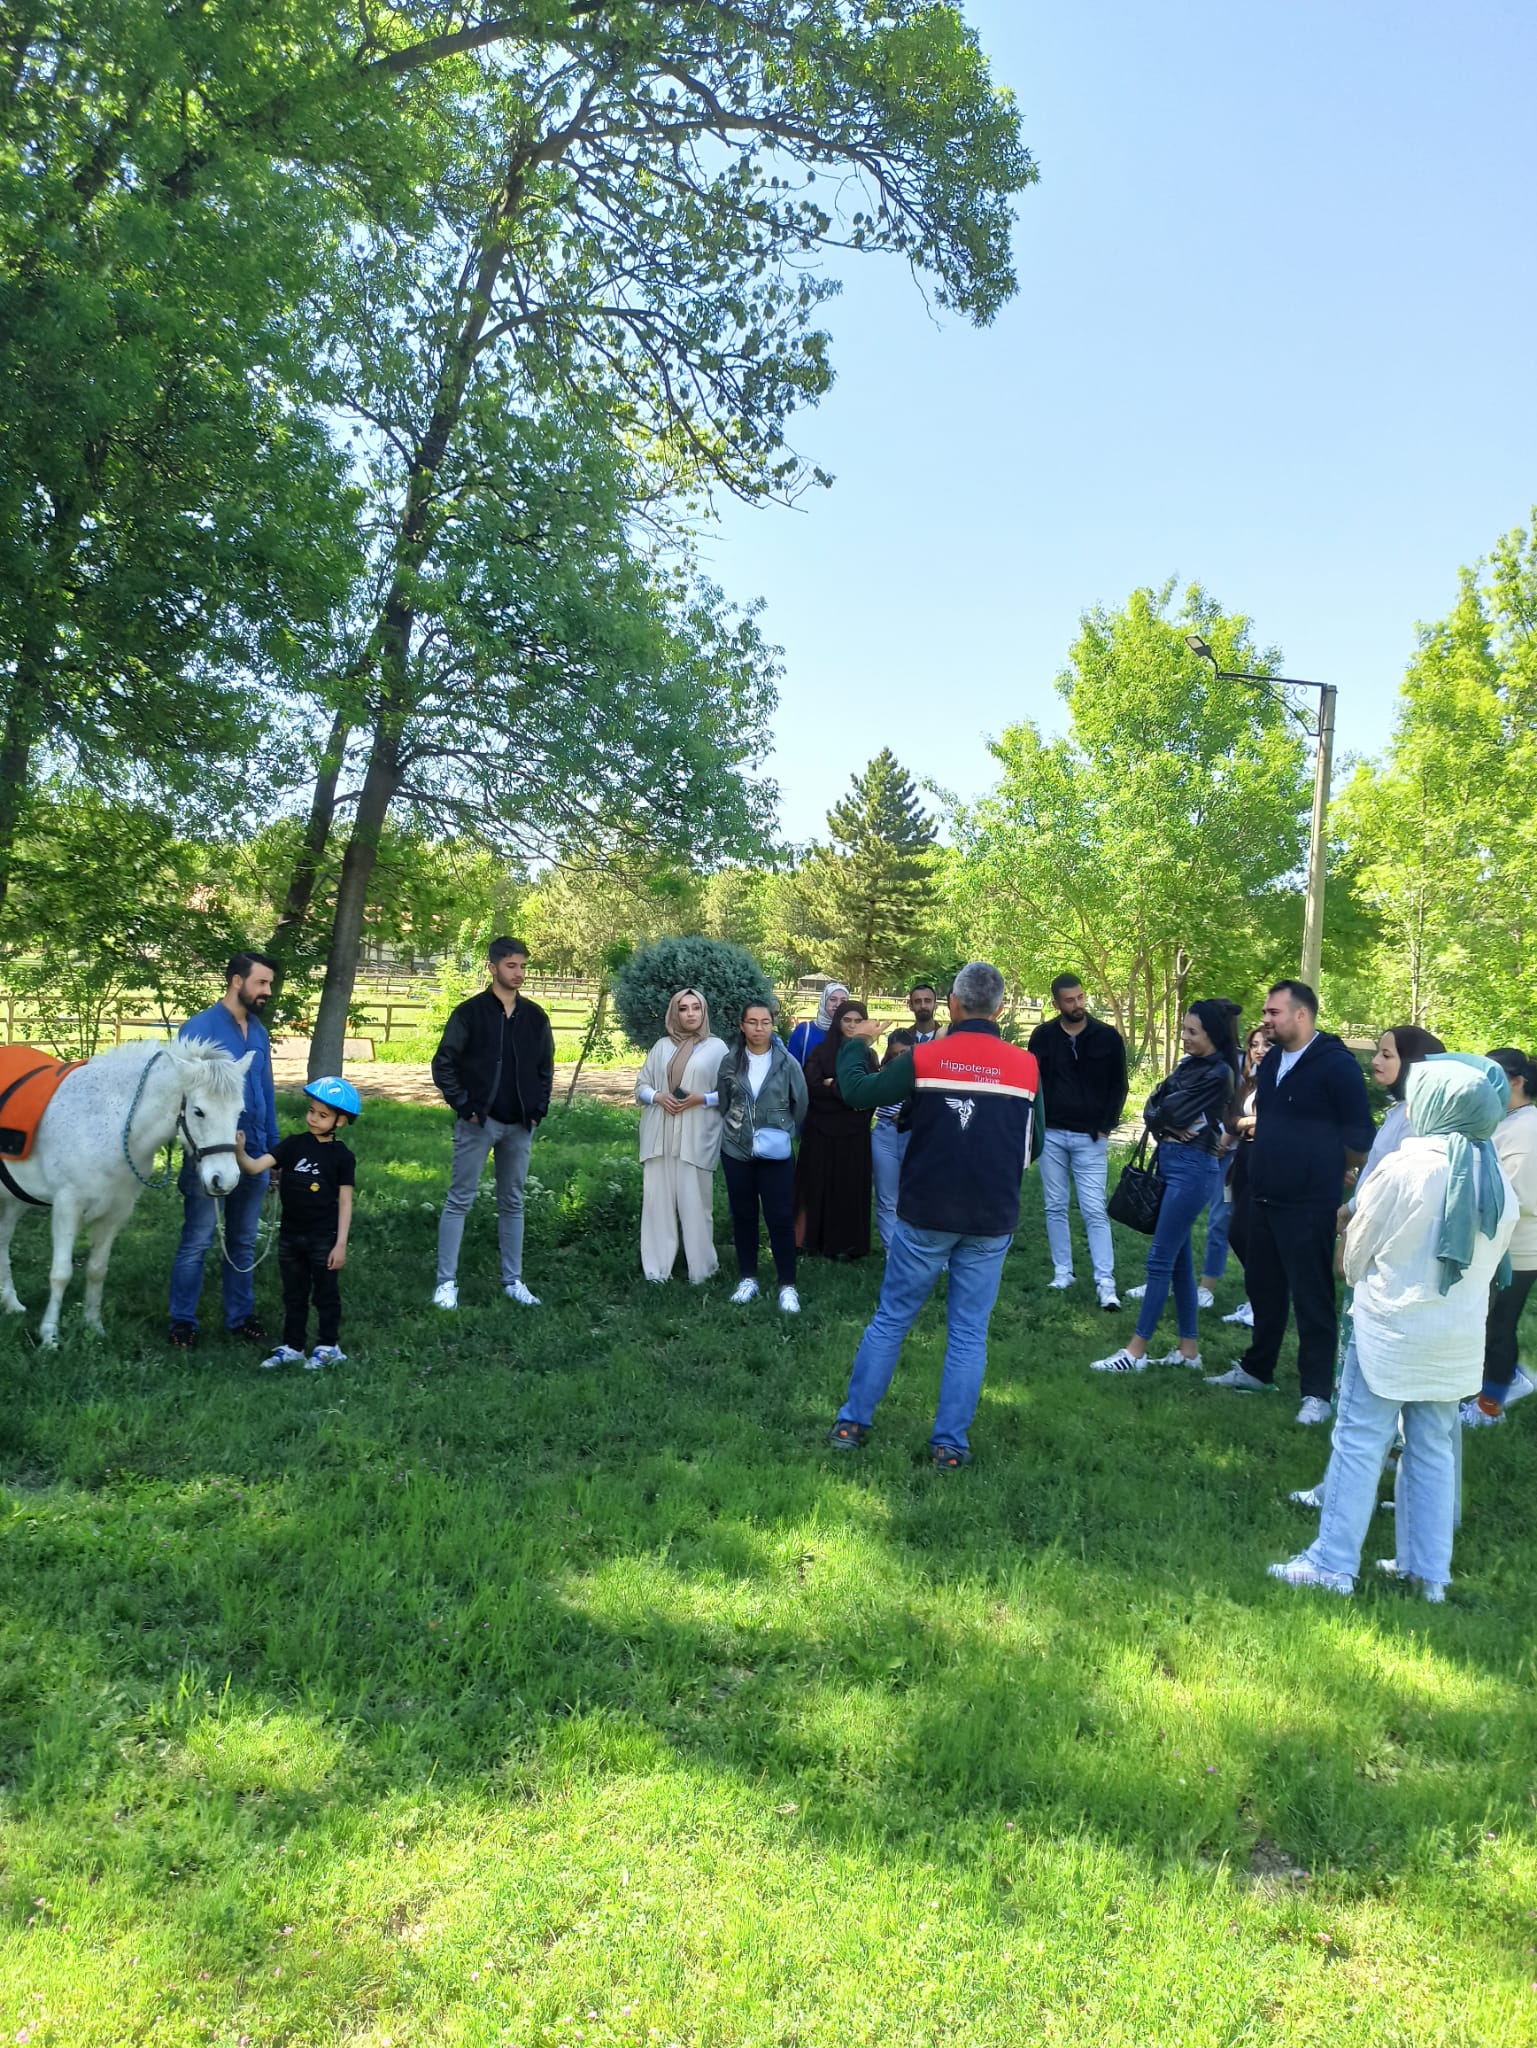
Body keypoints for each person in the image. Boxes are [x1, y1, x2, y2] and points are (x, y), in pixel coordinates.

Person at [1269, 1058, 1517, 1599]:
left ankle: (1332, 1564)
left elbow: (1354, 1260)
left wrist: (1352, 1245)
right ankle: (1428, 1575)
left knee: (1359, 1440)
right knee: (1431, 1449)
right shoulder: (1494, 1175)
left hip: (1391, 1330)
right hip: (1456, 1341)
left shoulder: (1405, 1167)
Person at [823, 960, 1042, 1469]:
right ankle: (949, 1444)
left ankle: (852, 1422)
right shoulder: (1027, 1066)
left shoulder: (928, 1057)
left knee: (892, 1317)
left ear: (953, 1005)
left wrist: (857, 1042)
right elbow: (1035, 1142)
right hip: (991, 1215)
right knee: (969, 1331)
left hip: (926, 1212)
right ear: (1002, 1009)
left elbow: (857, 1092)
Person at [1287, 1022, 1446, 1510]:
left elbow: (1391, 1191)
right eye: (1377, 1052)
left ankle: (1351, 1486)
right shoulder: (1400, 1111)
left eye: (1387, 1055)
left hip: (1385, 1257)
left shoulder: (1419, 1122)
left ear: (1414, 1066)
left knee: (1370, 1385)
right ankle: (1399, 1480)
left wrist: (1351, 1218)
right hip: (1373, 1245)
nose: (1376, 1061)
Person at [1206, 980, 1374, 1424]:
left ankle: (1317, 1392)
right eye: (1265, 1011)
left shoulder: (1336, 1065)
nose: (1265, 1019)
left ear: (1301, 1014)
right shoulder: (1275, 1058)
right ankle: (1257, 1369)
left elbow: (1359, 1135)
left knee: (1312, 1296)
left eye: (1273, 1012)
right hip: (1261, 1193)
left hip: (1309, 1202)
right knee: (1263, 1288)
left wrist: (1331, 1168)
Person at [1090, 1001, 1236, 1374]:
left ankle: (1135, 1352)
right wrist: (1165, 1121)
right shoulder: (1191, 1066)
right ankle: (1189, 1352)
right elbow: (1153, 1106)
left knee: (1159, 1260)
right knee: (1179, 1266)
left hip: (1192, 1169)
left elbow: (1167, 1109)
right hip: (1173, 1162)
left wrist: (1165, 1117)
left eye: (1192, 1032)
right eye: (1183, 1030)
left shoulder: (1218, 1073)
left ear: (1213, 1035)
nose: (1184, 1038)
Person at [430, 936, 554, 1309]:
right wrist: (465, 1106)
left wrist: (537, 1109)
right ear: (492, 968)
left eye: (522, 966)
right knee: (459, 1200)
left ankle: (513, 1280)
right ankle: (446, 1283)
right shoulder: (470, 1013)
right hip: (477, 1122)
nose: (518, 973)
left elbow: (545, 1067)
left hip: (520, 1124)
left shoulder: (535, 1017)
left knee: (513, 1202)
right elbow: (444, 1062)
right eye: (511, 965)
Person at [167, 951, 281, 1350]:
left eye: (268, 983)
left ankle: (240, 1316)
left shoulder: (259, 1032)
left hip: (253, 1154)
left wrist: (274, 1150)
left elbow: (265, 1092)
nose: (267, 990)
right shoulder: (198, 1030)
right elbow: (179, 1097)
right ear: (237, 981)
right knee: (197, 1238)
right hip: (209, 1150)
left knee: (244, 1239)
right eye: (261, 983)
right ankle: (182, 1321)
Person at [235, 1076, 359, 1370]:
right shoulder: (292, 1145)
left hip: (324, 1238)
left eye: (322, 1115)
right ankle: (293, 1346)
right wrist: (239, 1151)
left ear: (340, 1122)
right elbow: (254, 1168)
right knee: (294, 1293)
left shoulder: (342, 1157)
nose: (313, 1119)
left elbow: (345, 1202)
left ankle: (328, 1346)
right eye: (312, 1111)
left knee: (325, 1293)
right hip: (291, 1236)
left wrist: (340, 1244)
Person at [1029, 974, 1129, 1309]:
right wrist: (1037, 1127)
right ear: (1056, 1003)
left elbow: (1120, 1084)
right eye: (1069, 1000)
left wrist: (1106, 1125)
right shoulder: (1042, 1037)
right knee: (1055, 1205)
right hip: (1053, 1133)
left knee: (1093, 1208)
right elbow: (1034, 1084)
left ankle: (1105, 1280)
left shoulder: (1107, 1037)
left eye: (1081, 998)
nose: (1077, 1005)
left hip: (1091, 1136)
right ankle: (1063, 1271)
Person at [716, 999, 809, 1312]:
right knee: (743, 1214)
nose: (759, 1028)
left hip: (776, 1153)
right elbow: (724, 1102)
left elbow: (801, 1104)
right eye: (752, 1022)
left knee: (780, 1217)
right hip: (736, 1150)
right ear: (742, 1026)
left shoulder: (787, 1063)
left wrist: (781, 1129)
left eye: (765, 1022)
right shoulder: (730, 1062)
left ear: (773, 1025)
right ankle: (748, 1278)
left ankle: (787, 1286)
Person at [1463, 1046, 1537, 1425]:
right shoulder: (1506, 1118)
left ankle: (1491, 1408)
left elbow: (1519, 1195)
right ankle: (1502, 1384)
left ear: (1517, 1081)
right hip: (1495, 1242)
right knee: (1486, 1323)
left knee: (1498, 1326)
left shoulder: (1527, 1127)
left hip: (1518, 1248)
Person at [633, 989, 727, 1285]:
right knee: (657, 1203)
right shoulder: (661, 1047)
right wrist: (658, 1096)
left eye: (696, 1008)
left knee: (696, 1204)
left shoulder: (717, 1048)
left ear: (704, 1011)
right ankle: (657, 1270)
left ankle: (702, 1269)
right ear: (675, 1013)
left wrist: (700, 1099)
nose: (690, 1014)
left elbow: (728, 1093)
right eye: (683, 1009)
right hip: (659, 1133)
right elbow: (641, 1086)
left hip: (696, 1134)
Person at [796, 999, 876, 1260]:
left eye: (857, 1021)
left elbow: (868, 1093)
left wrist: (833, 1086)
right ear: (837, 1022)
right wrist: (844, 1092)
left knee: (848, 1186)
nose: (852, 1026)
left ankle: (847, 1245)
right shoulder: (821, 1051)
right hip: (820, 1129)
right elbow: (811, 1088)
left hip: (854, 1132)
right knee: (816, 1185)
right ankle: (813, 1242)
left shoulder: (868, 1055)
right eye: (847, 1020)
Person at [871, 991, 945, 1251]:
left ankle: (924, 1250)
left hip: (918, 1133)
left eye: (928, 1000)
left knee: (922, 1195)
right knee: (887, 1197)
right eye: (896, 1054)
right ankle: (893, 1252)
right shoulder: (887, 1069)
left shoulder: (937, 1048)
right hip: (885, 1134)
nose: (902, 1058)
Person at [1218, 1023, 1274, 1329]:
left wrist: (1244, 1122)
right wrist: (1246, 1123)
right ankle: (1256, 1299)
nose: (1259, 1050)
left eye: (1266, 1044)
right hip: (1244, 1159)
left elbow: (1269, 1122)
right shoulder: (1249, 1082)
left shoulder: (1279, 1081)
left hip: (1267, 1160)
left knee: (1246, 1233)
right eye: (1254, 1045)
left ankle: (1263, 1300)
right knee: (1239, 1232)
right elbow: (1231, 1118)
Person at [786, 983, 850, 1068]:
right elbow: (791, 1068)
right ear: (824, 1001)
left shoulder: (851, 1032)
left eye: (843, 1001)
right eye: (833, 999)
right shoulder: (804, 1031)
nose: (838, 1004)